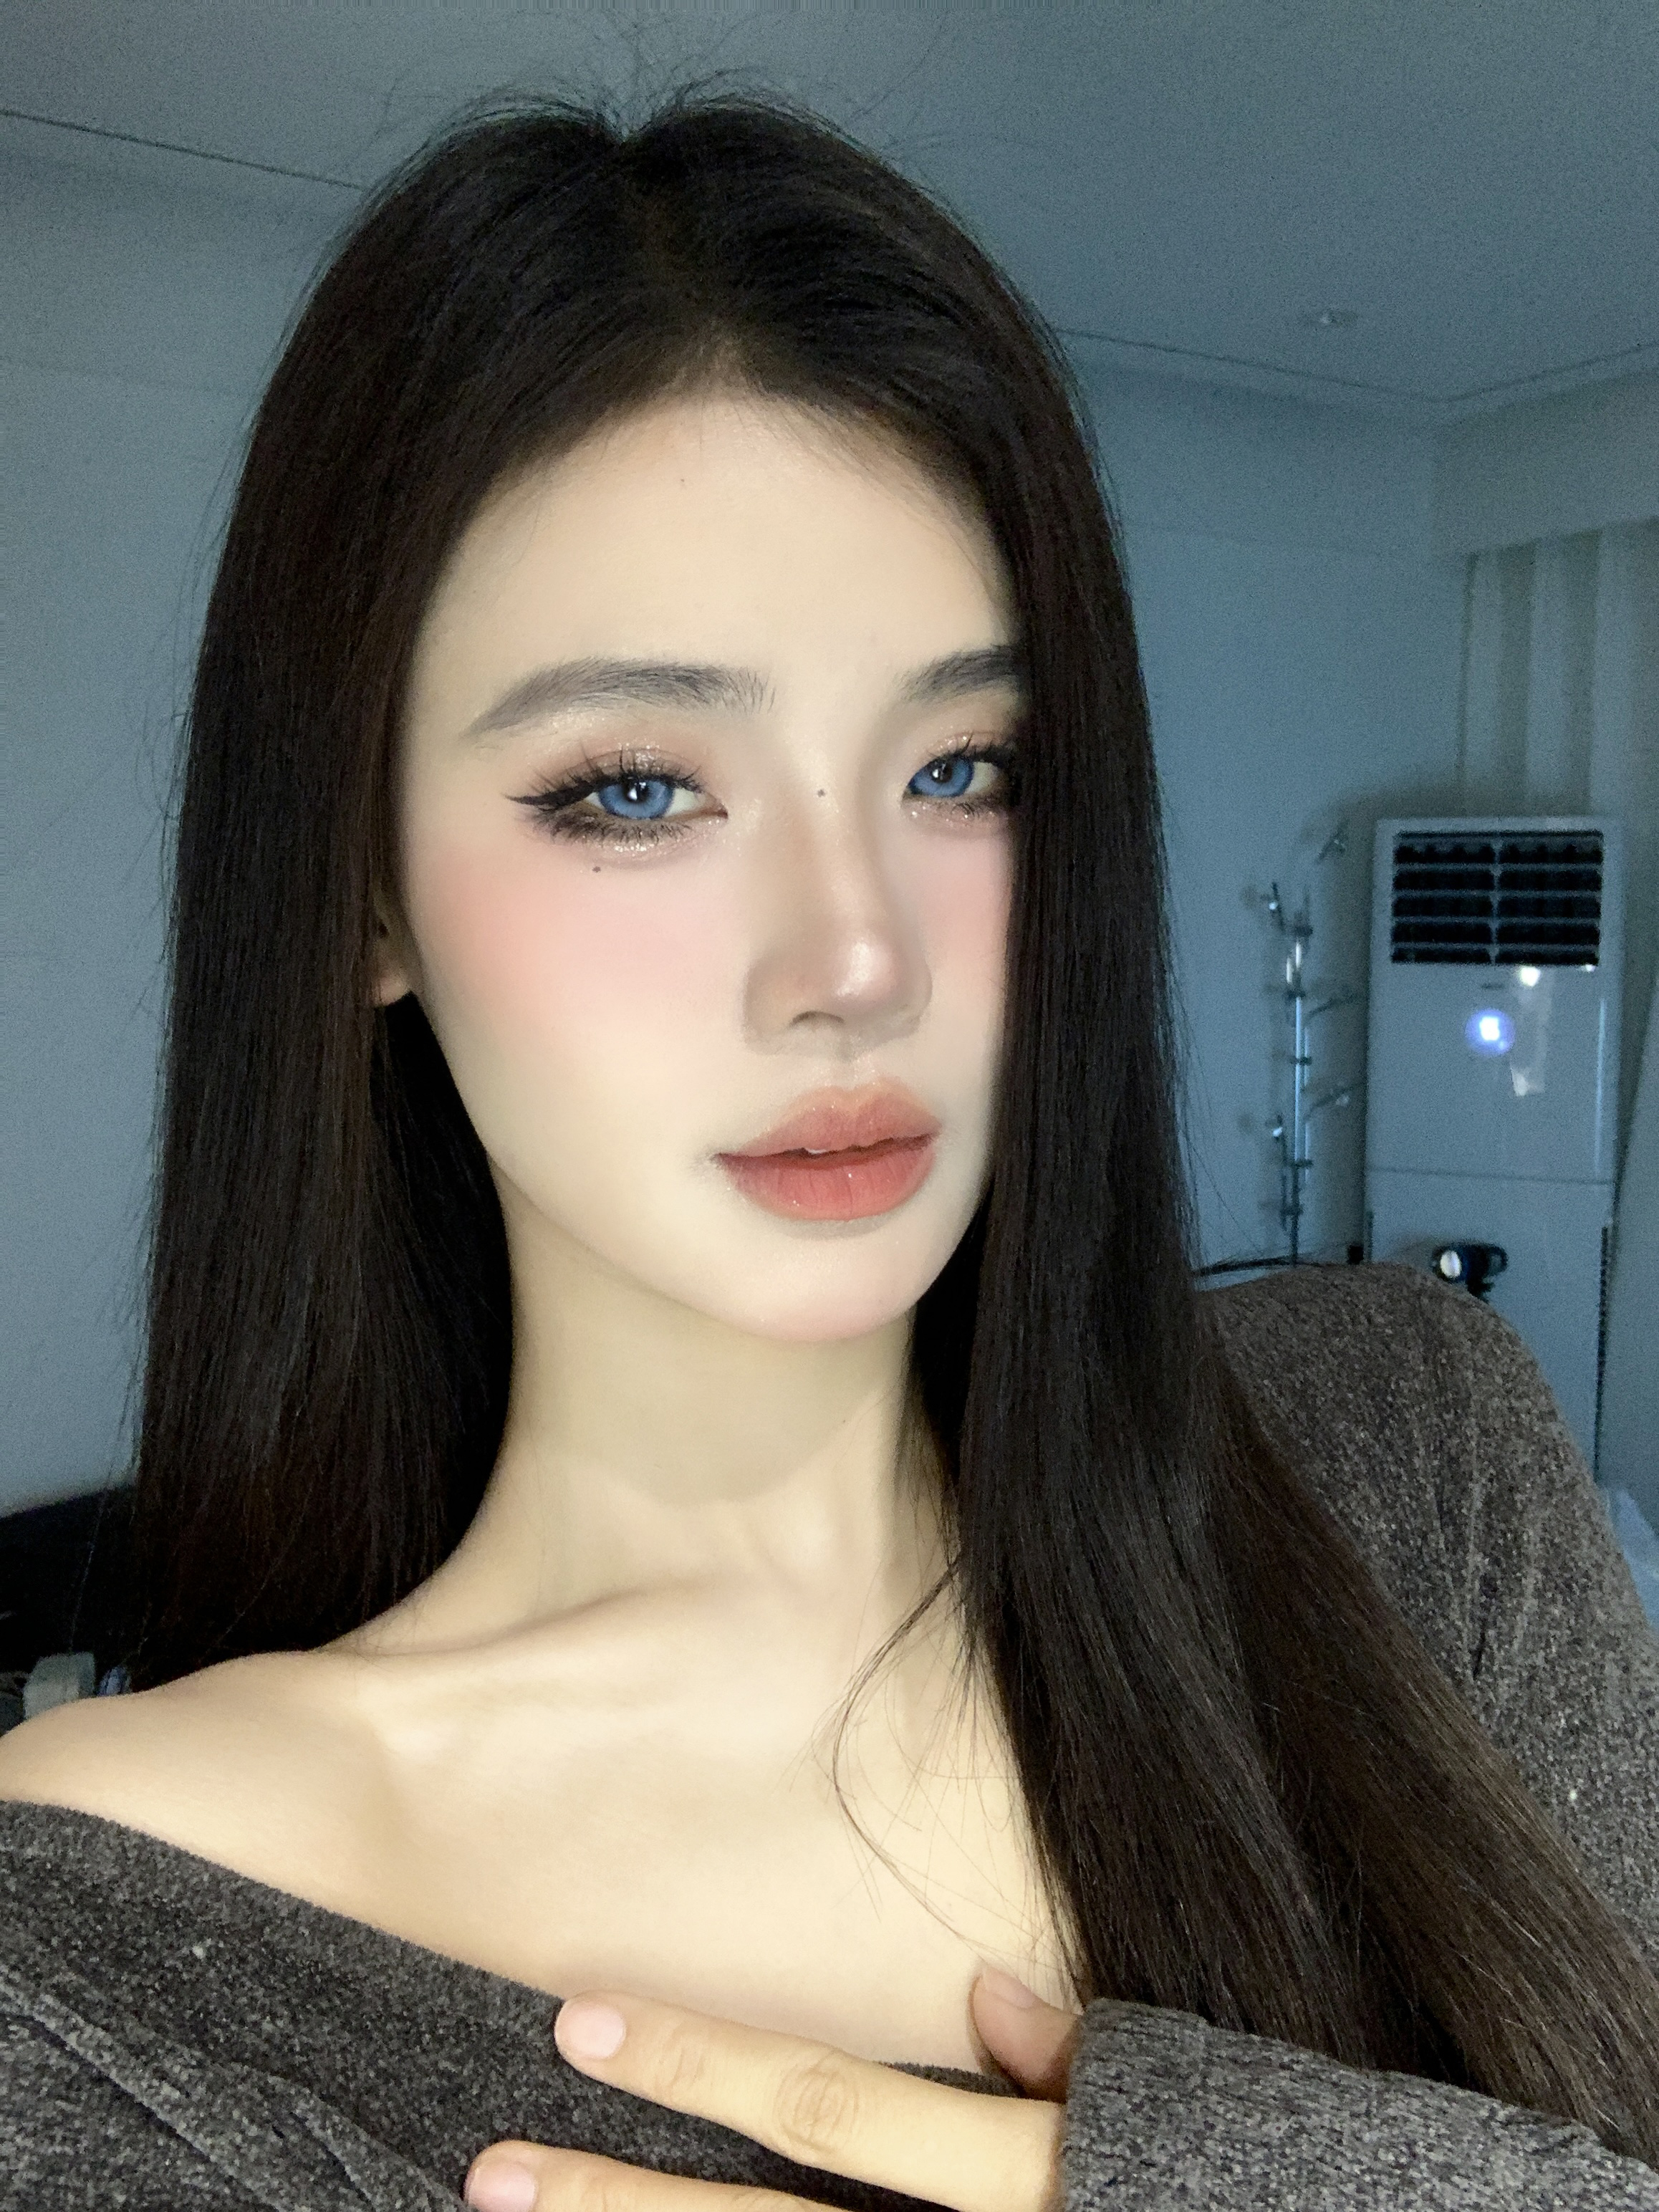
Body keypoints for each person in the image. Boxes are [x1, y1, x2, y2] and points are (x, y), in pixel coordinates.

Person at [1, 87, 1656, 2212]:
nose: (856, 960)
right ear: (363, 897)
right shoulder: (99, 1971)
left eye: (965, 767)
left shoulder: (1416, 1466)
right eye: (633, 789)